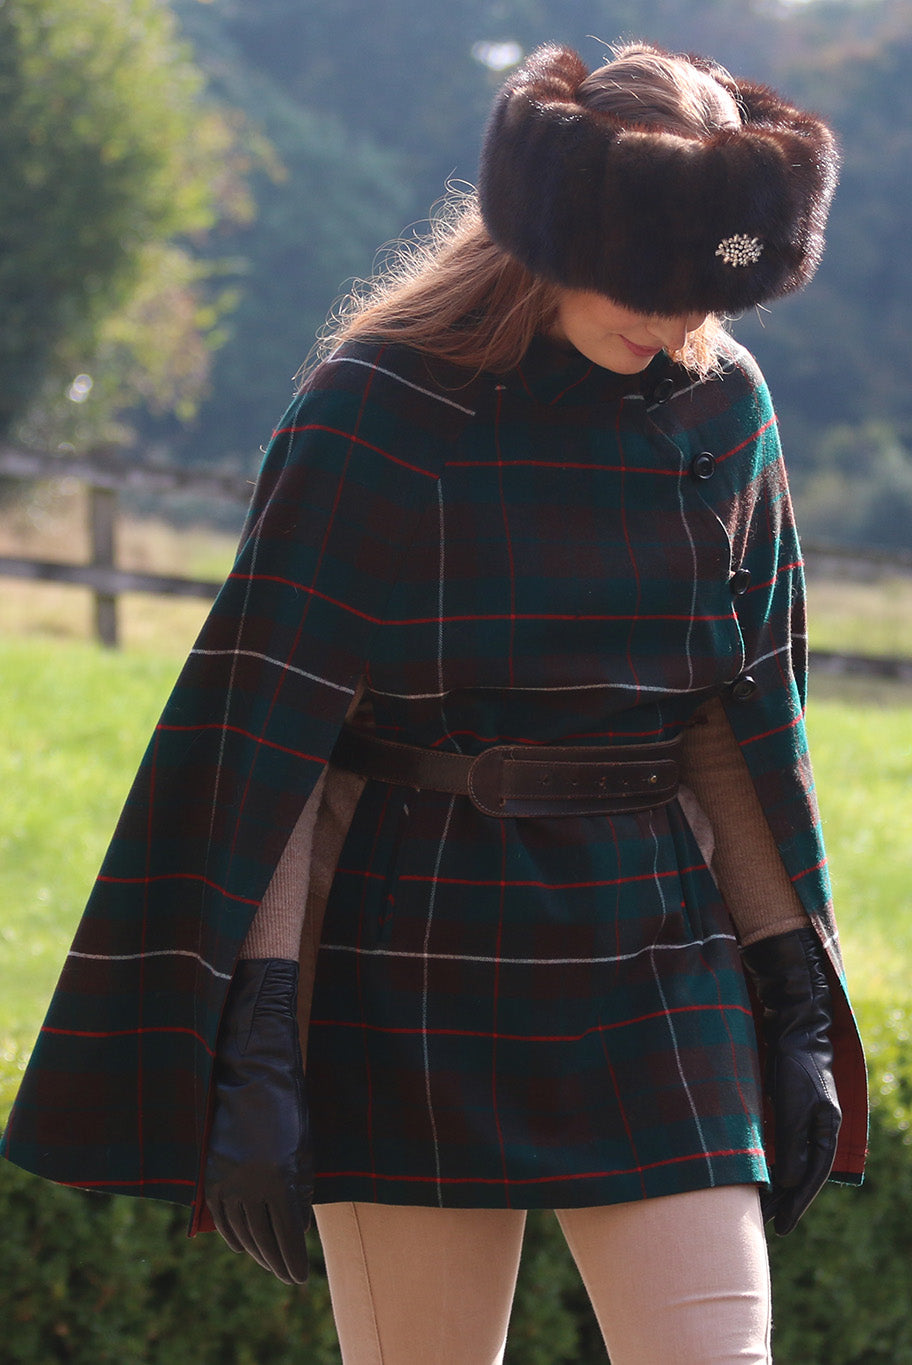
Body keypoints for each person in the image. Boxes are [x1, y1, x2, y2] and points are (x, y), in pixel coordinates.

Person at [1, 41, 868, 1365]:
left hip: (655, 946)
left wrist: (793, 992)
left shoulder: (723, 410)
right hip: (412, 952)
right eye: (644, 281)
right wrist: (259, 1054)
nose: (672, 319)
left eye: (702, 288)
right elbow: (276, 746)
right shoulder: (377, 410)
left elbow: (733, 715)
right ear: (551, 234)